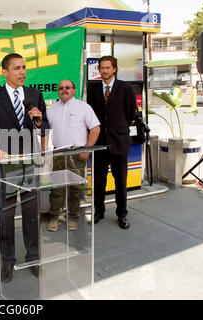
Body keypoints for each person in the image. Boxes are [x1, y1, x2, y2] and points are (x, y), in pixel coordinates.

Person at [0, 53, 48, 282]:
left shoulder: (34, 95)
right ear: (5, 72)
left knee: (31, 213)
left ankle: (34, 258)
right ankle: (7, 262)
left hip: (30, 161)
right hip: (6, 164)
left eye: (24, 67)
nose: (22, 72)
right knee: (6, 215)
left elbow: (44, 125)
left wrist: (39, 119)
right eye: (17, 68)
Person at [87, 56, 136, 230]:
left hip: (119, 143)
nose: (104, 71)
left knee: (121, 182)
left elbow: (130, 114)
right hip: (99, 143)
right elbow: (90, 116)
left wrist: (119, 129)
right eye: (102, 68)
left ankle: (121, 215)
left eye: (108, 68)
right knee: (98, 181)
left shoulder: (125, 88)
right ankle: (98, 212)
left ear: (114, 69)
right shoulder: (92, 89)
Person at [46, 80, 100, 232]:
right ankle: (54, 217)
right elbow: (44, 131)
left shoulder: (84, 107)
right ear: (58, 91)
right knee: (56, 188)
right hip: (57, 154)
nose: (64, 90)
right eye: (61, 88)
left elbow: (95, 128)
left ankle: (73, 217)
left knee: (76, 189)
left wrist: (87, 149)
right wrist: (47, 152)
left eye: (67, 88)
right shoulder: (51, 109)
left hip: (78, 154)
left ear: (74, 90)